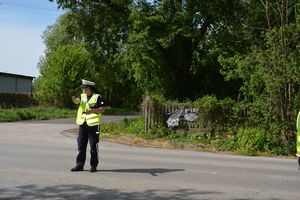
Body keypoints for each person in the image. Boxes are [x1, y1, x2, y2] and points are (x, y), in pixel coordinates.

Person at [71, 79, 105, 172]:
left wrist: (92, 111)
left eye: (84, 88)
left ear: (89, 88)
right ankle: (79, 165)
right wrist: (74, 99)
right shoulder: (82, 96)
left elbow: (102, 109)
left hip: (94, 125)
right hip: (83, 124)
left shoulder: (97, 97)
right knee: (81, 145)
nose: (82, 90)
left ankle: (93, 166)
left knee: (93, 146)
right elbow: (77, 101)